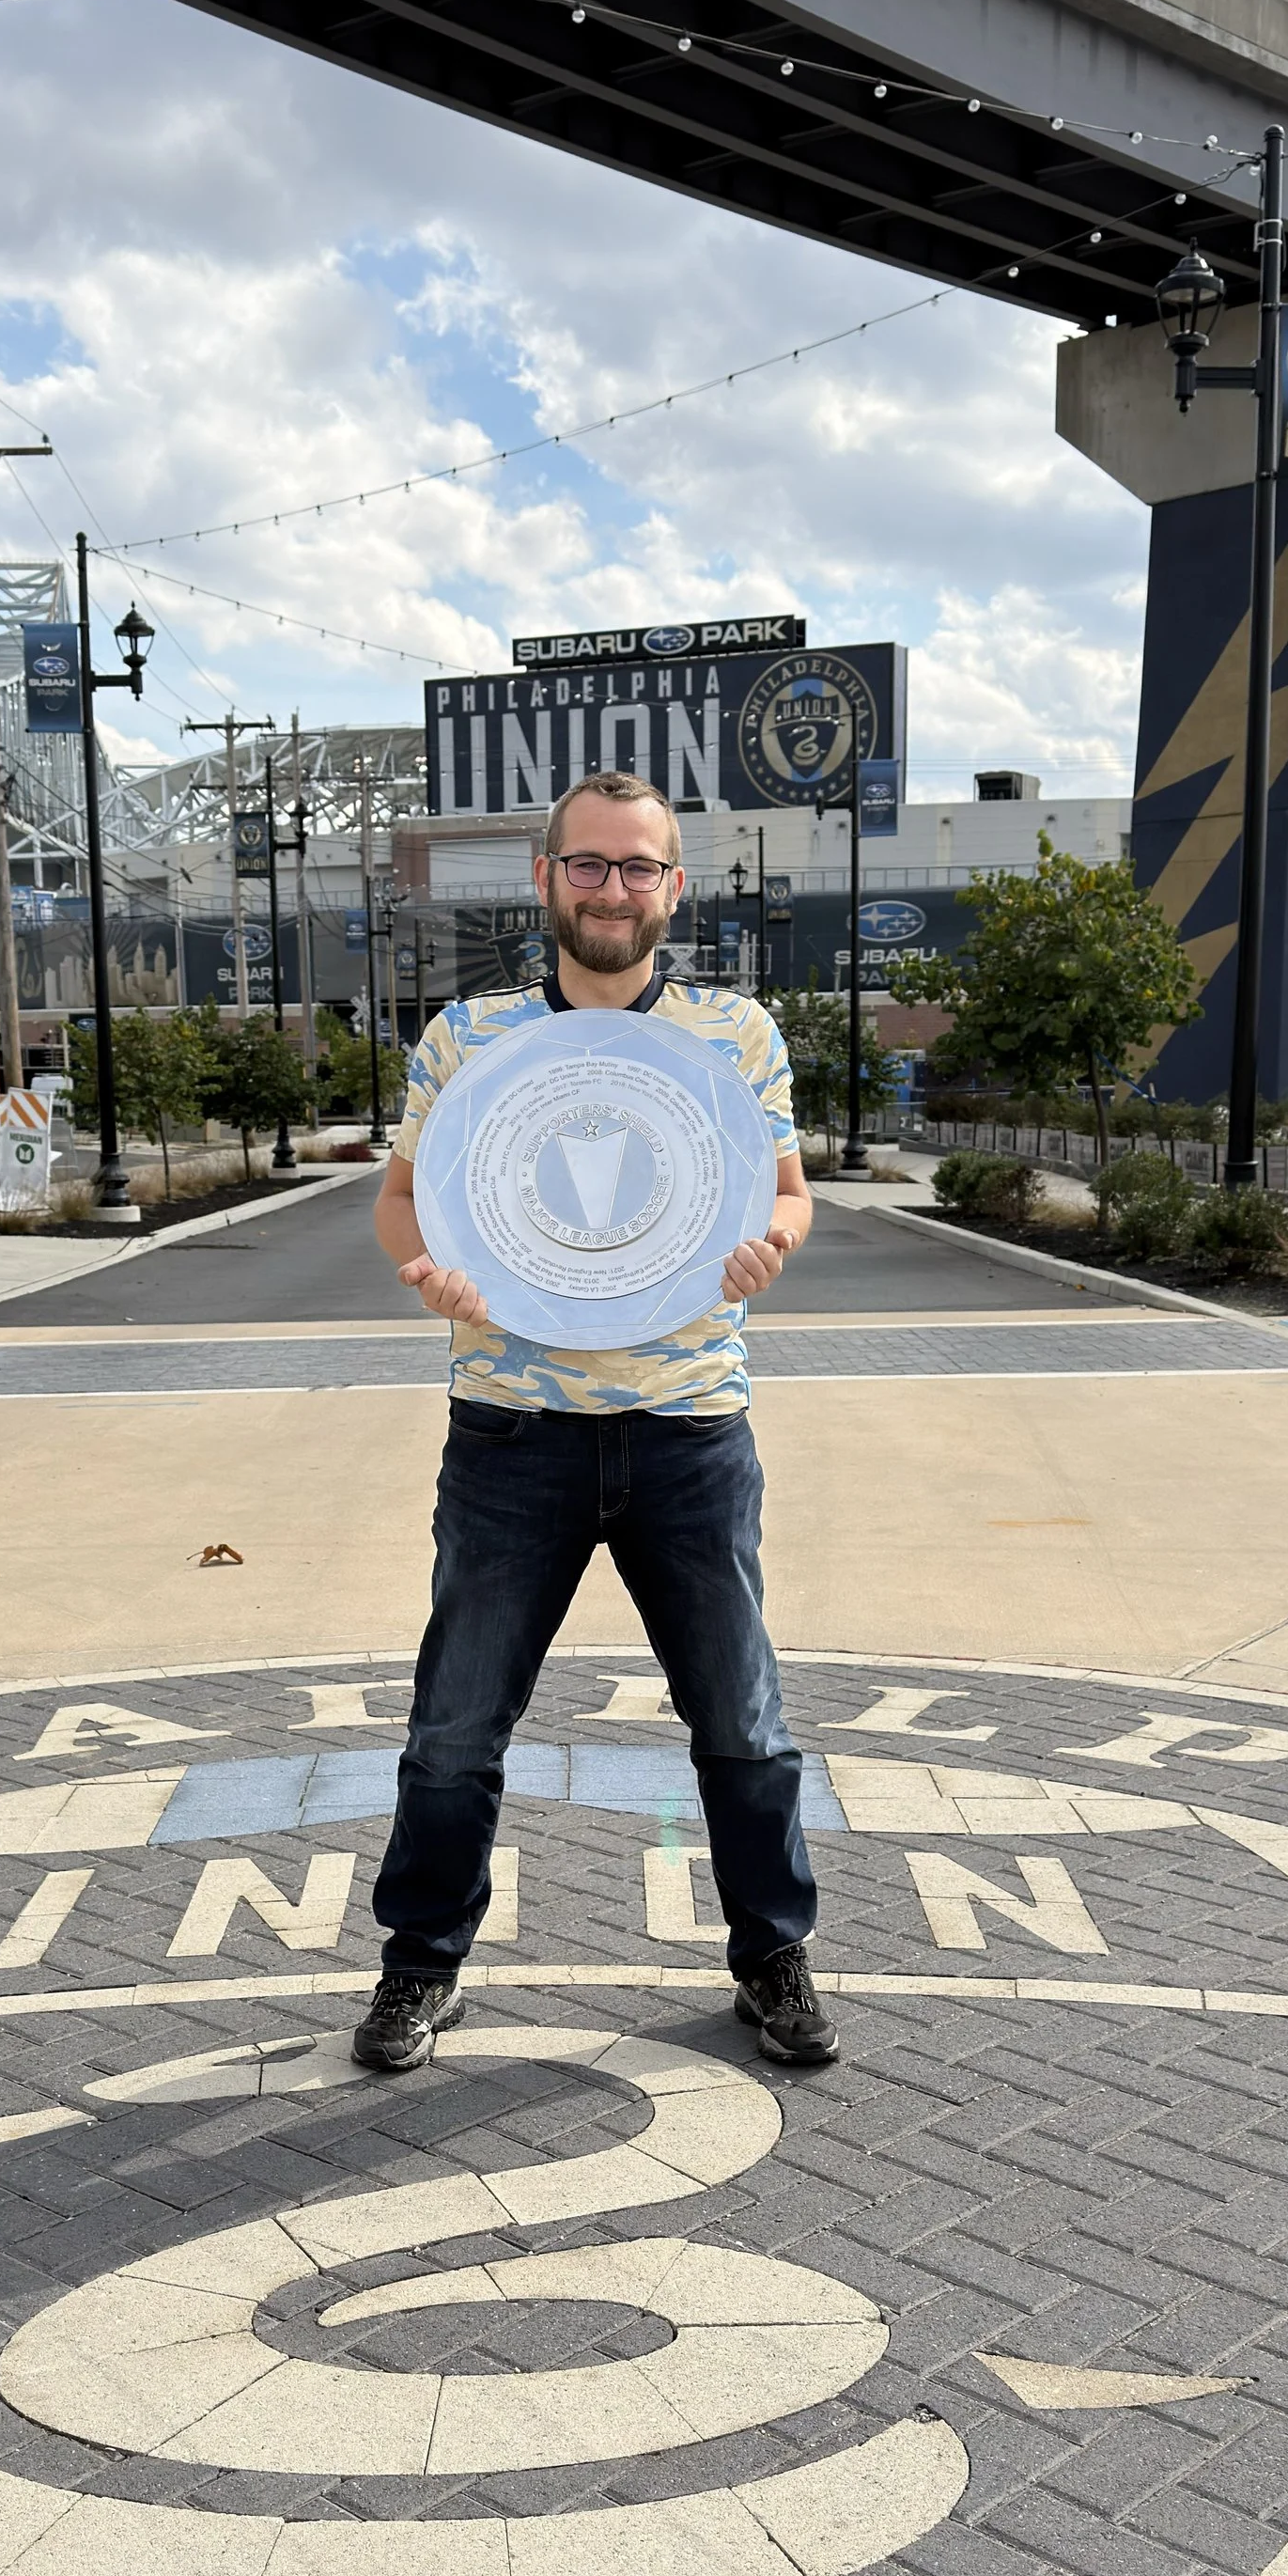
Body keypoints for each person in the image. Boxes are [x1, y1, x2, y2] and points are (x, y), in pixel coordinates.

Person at [355, 766, 835, 2075]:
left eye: (638, 867)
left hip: (689, 1426)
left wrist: (771, 1245)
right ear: (545, 878)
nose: (612, 888)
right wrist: (428, 1269)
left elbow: (788, 1194)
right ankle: (421, 1965)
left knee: (742, 1717)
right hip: (514, 1427)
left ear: (673, 887)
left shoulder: (738, 1037)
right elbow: (403, 1204)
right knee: (456, 1724)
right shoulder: (470, 1036)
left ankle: (771, 1953)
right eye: (589, 864)